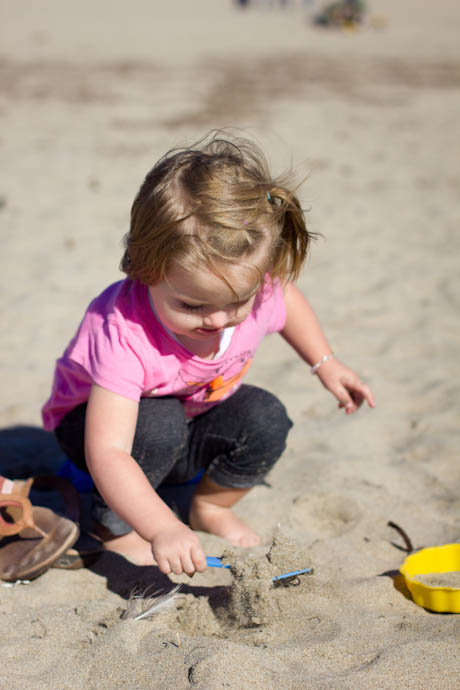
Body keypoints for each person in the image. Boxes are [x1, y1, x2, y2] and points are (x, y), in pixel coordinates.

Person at [42, 132, 374, 577]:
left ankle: (210, 507)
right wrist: (161, 528)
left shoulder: (254, 290)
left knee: (266, 416)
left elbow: (287, 300)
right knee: (159, 422)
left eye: (237, 302)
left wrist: (325, 363)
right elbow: (109, 452)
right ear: (144, 271)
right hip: (100, 430)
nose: (218, 320)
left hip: (193, 419)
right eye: (193, 306)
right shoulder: (124, 329)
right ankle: (114, 526)